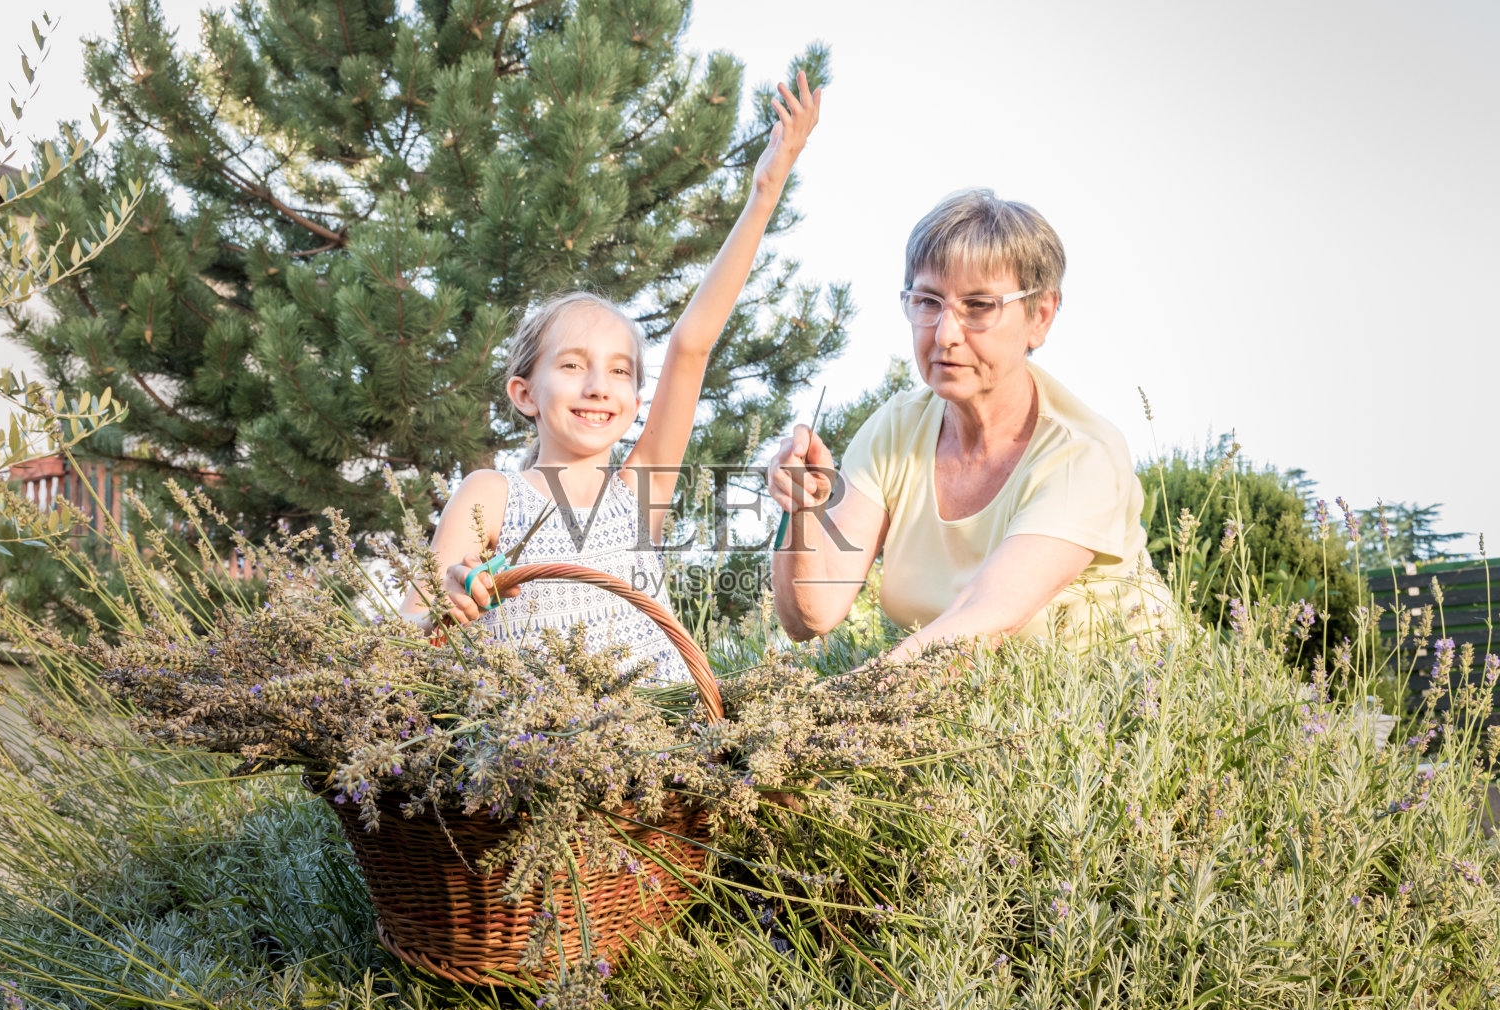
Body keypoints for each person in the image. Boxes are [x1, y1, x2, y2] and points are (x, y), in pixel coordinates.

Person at [403, 73, 823, 681]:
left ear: (634, 398)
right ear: (525, 393)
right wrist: (448, 602)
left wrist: (766, 188)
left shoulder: (638, 492)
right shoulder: (492, 496)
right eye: (572, 365)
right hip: (543, 750)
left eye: (620, 371)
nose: (599, 385)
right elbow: (408, 635)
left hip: (660, 741)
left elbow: (691, 345)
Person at [767, 188, 1172, 662]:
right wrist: (801, 514)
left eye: (979, 306)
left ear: (1040, 316)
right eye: (928, 301)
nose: (944, 334)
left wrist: (854, 704)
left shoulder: (1084, 453)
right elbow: (810, 617)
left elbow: (986, 614)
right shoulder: (896, 430)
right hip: (962, 702)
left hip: (1116, 706)